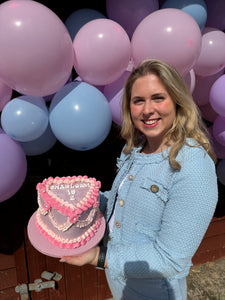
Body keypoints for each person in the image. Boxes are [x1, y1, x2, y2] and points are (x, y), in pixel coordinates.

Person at [60, 59, 218, 299]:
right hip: (121, 281)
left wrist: (97, 257)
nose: (147, 110)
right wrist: (82, 198)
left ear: (177, 100)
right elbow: (121, 203)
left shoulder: (193, 164)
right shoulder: (134, 149)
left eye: (158, 98)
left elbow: (170, 258)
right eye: (138, 101)